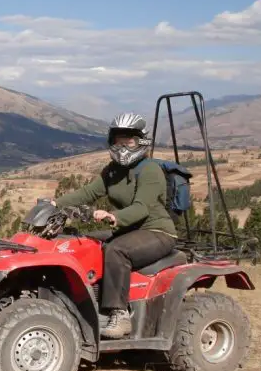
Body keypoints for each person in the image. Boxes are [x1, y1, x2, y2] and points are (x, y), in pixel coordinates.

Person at [53, 112, 177, 339]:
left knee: (116, 250)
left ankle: (119, 314)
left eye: (129, 141)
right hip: (128, 230)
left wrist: (114, 217)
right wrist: (53, 203)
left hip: (156, 231)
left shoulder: (150, 170)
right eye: (119, 140)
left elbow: (141, 208)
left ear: (142, 141)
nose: (123, 146)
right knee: (83, 242)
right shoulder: (112, 170)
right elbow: (88, 193)